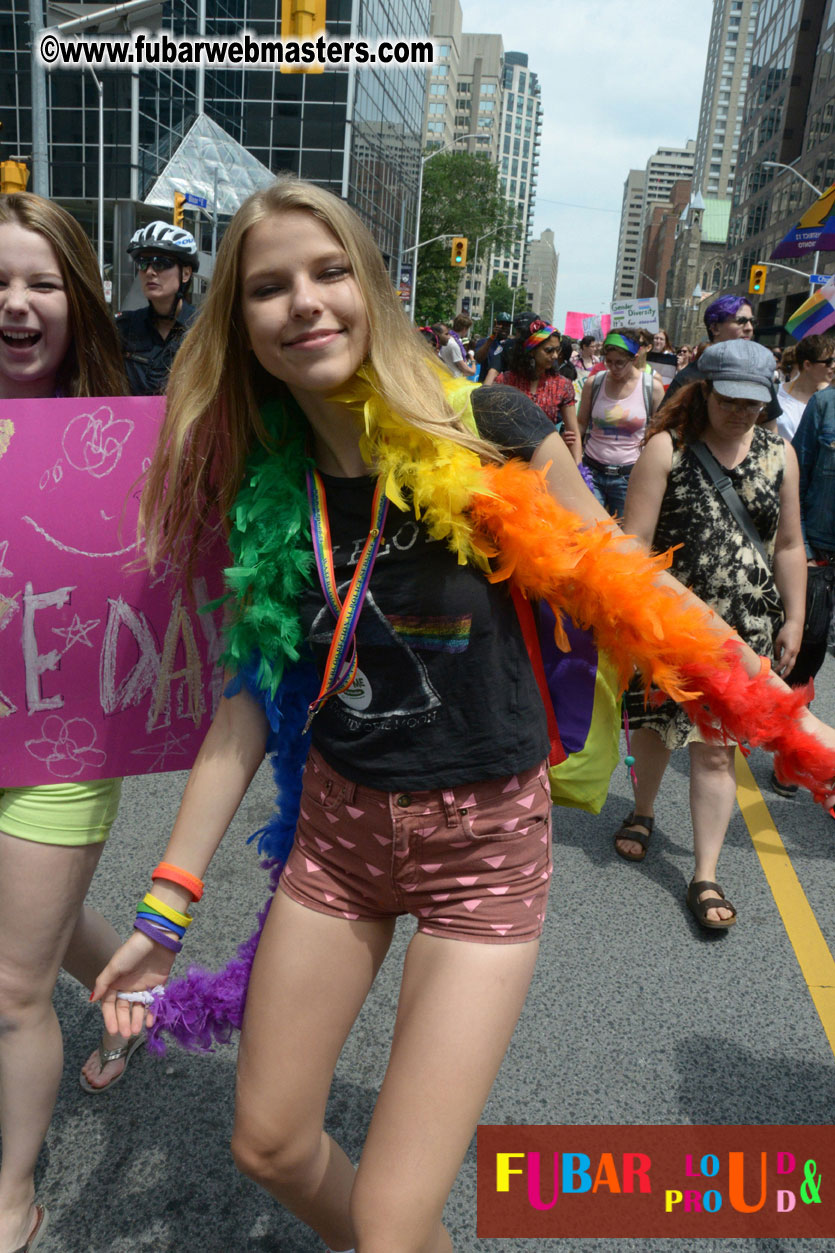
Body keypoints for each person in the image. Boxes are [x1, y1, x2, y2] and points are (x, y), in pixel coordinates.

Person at [91, 178, 835, 1251]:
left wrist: (794, 728)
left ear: (372, 288)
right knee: (267, 1143)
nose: (304, 301)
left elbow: (629, 586)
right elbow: (246, 700)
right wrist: (163, 911)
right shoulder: (269, 483)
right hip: (336, 839)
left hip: (481, 843)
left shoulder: (489, 427)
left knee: (391, 1223)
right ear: (240, 324)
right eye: (268, 287)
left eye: (329, 271)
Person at [0, 193, 137, 1253]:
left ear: (76, 299)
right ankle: (130, 978)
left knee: (12, 984)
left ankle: (12, 1197)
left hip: (61, 735)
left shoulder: (130, 434)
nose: (15, 302)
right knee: (36, 928)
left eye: (40, 282)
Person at [615, 340, 806, 927]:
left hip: (743, 636)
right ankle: (643, 810)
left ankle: (705, 872)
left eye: (754, 403)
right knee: (654, 727)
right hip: (667, 625)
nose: (742, 413)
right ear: (704, 389)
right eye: (730, 400)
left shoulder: (779, 454)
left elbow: (790, 544)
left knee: (718, 751)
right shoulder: (666, 448)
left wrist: (795, 616)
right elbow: (633, 545)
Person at [577, 328, 664, 517]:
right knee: (588, 527)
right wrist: (576, 462)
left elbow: (658, 435)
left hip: (629, 476)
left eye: (620, 363)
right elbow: (581, 424)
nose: (613, 368)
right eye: (608, 361)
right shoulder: (594, 383)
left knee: (624, 532)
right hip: (592, 471)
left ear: (634, 359)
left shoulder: (652, 388)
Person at [660, 294, 783, 423]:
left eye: (752, 322)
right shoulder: (689, 377)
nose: (749, 328)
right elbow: (662, 424)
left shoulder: (759, 374)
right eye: (741, 321)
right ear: (715, 328)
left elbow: (770, 426)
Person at [116, 220, 198, 396]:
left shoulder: (205, 329)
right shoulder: (123, 328)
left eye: (160, 263)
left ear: (185, 273)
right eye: (143, 263)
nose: (149, 272)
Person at [495, 320, 581, 463]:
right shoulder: (505, 381)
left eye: (557, 350)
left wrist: (579, 469)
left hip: (547, 462)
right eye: (549, 350)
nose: (555, 356)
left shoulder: (562, 385)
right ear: (532, 350)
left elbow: (574, 434)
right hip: (509, 464)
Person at [776, 333, 835, 442]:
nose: (833, 366)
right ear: (807, 364)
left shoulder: (831, 399)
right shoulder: (775, 394)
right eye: (828, 362)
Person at [473, 311, 511, 382]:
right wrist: (492, 337)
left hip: (505, 386)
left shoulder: (511, 344)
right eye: (501, 324)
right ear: (495, 325)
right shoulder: (484, 341)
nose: (505, 328)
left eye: (507, 325)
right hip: (486, 383)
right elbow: (478, 359)